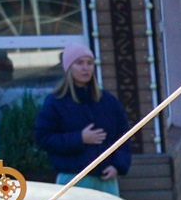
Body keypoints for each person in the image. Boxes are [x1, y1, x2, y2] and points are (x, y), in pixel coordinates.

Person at [32, 42, 134, 190]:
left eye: (89, 63)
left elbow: (123, 136)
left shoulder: (108, 101)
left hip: (106, 182)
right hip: (72, 181)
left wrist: (117, 165)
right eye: (79, 63)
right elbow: (42, 138)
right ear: (68, 67)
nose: (86, 68)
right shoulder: (56, 102)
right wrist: (79, 138)